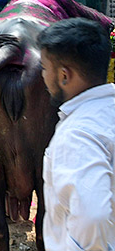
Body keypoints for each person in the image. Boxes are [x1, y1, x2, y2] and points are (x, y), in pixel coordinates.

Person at [37, 18, 115, 250]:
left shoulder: (77, 135)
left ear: (64, 75)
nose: (42, 76)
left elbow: (94, 216)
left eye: (44, 68)